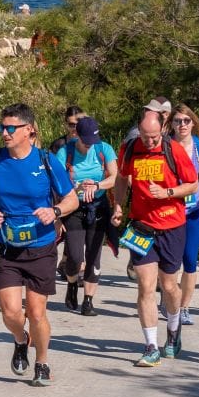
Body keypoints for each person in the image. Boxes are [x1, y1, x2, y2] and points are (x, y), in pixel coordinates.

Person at [0, 104, 79, 386]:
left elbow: (71, 199)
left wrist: (54, 211)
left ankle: (42, 362)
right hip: (5, 245)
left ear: (29, 130)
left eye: (11, 128)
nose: (5, 133)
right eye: (2, 127)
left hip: (40, 245)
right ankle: (21, 340)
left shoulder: (46, 161)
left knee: (36, 312)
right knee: (10, 312)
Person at [112, 113, 199, 367]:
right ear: (138, 131)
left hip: (172, 226)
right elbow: (121, 177)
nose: (150, 142)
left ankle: (173, 329)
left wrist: (167, 192)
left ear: (162, 129)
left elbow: (192, 185)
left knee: (169, 286)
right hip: (141, 226)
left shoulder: (173, 150)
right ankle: (150, 346)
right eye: (145, 136)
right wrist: (118, 204)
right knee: (145, 286)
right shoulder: (130, 148)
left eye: (154, 137)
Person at [54, 117, 118, 316]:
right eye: (86, 140)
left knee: (93, 255)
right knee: (74, 256)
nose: (90, 144)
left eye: (93, 140)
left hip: (98, 207)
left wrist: (97, 185)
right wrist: (77, 187)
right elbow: (56, 182)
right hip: (74, 208)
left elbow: (114, 177)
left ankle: (88, 301)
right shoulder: (65, 152)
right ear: (77, 135)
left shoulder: (104, 149)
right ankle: (72, 284)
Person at [168, 104, 199, 326]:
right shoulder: (165, 145)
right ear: (171, 124)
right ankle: (170, 299)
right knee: (170, 261)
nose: (182, 125)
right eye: (178, 121)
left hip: (193, 210)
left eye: (186, 121)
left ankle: (184, 307)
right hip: (170, 211)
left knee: (190, 260)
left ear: (193, 123)